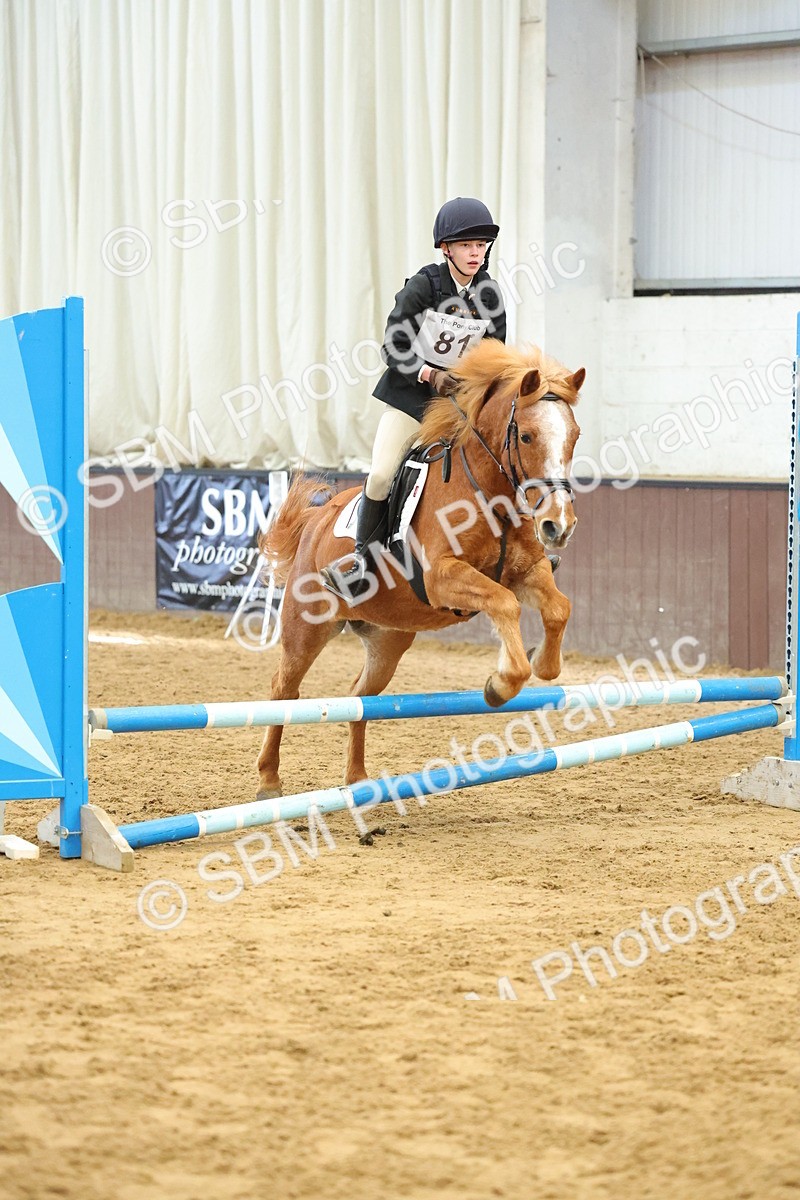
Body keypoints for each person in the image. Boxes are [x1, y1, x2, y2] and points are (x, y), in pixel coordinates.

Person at [321, 196, 506, 600]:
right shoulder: (425, 285)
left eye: (481, 245)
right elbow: (394, 344)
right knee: (383, 473)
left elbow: (496, 354)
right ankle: (361, 562)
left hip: (460, 406)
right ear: (446, 248)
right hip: (413, 400)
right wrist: (428, 373)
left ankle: (521, 549)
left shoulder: (489, 295)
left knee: (506, 455)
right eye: (466, 246)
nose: (476, 253)